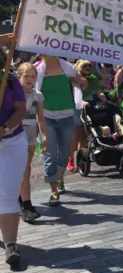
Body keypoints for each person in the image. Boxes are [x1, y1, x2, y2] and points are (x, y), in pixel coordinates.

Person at [35, 55, 84, 205]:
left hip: (67, 117)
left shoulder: (69, 68)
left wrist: (82, 81)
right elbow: (33, 95)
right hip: (48, 117)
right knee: (50, 155)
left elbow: (82, 84)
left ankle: (59, 178)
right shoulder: (38, 71)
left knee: (64, 154)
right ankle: (54, 191)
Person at [0, 38, 28, 265]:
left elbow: (21, 110)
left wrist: (5, 127)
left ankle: (11, 244)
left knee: (7, 193)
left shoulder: (10, 82)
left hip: (10, 143)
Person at [17, 63, 47, 223]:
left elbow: (40, 118)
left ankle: (25, 202)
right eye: (26, 76)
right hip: (14, 132)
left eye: (33, 76)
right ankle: (23, 202)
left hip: (30, 135)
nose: (29, 79)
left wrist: (45, 136)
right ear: (19, 76)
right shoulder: (13, 92)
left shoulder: (38, 95)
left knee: (26, 168)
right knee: (18, 168)